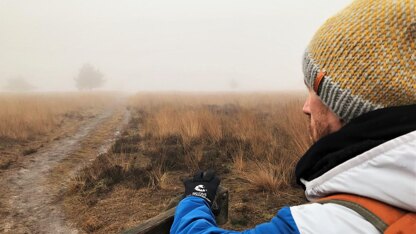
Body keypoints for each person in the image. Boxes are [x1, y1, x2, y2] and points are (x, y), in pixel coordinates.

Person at [170, 0, 416, 233]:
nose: (305, 107)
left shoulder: (334, 225)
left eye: (312, 90)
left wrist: (196, 199)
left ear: (344, 103)